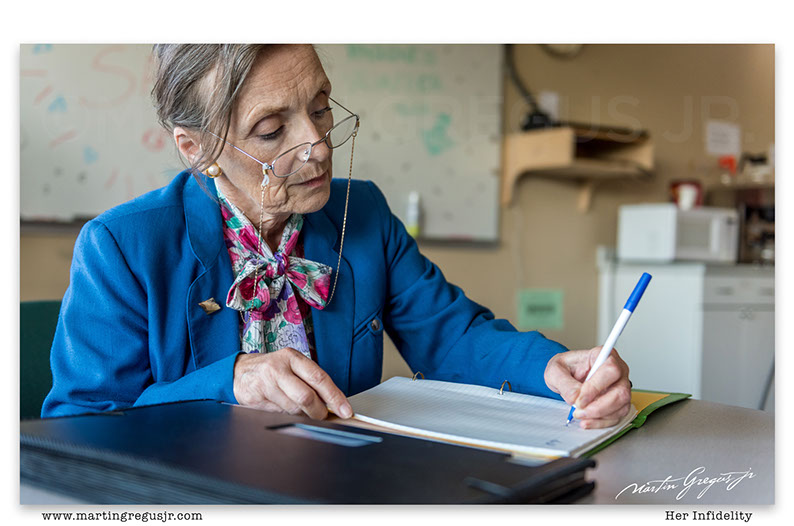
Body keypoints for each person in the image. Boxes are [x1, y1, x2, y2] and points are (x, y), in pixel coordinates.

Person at [42, 44, 631, 429]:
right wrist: (229, 380)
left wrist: (551, 367)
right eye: (272, 130)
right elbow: (82, 424)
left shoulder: (363, 212)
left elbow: (452, 336)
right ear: (197, 149)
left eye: (321, 108)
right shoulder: (121, 247)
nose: (318, 146)